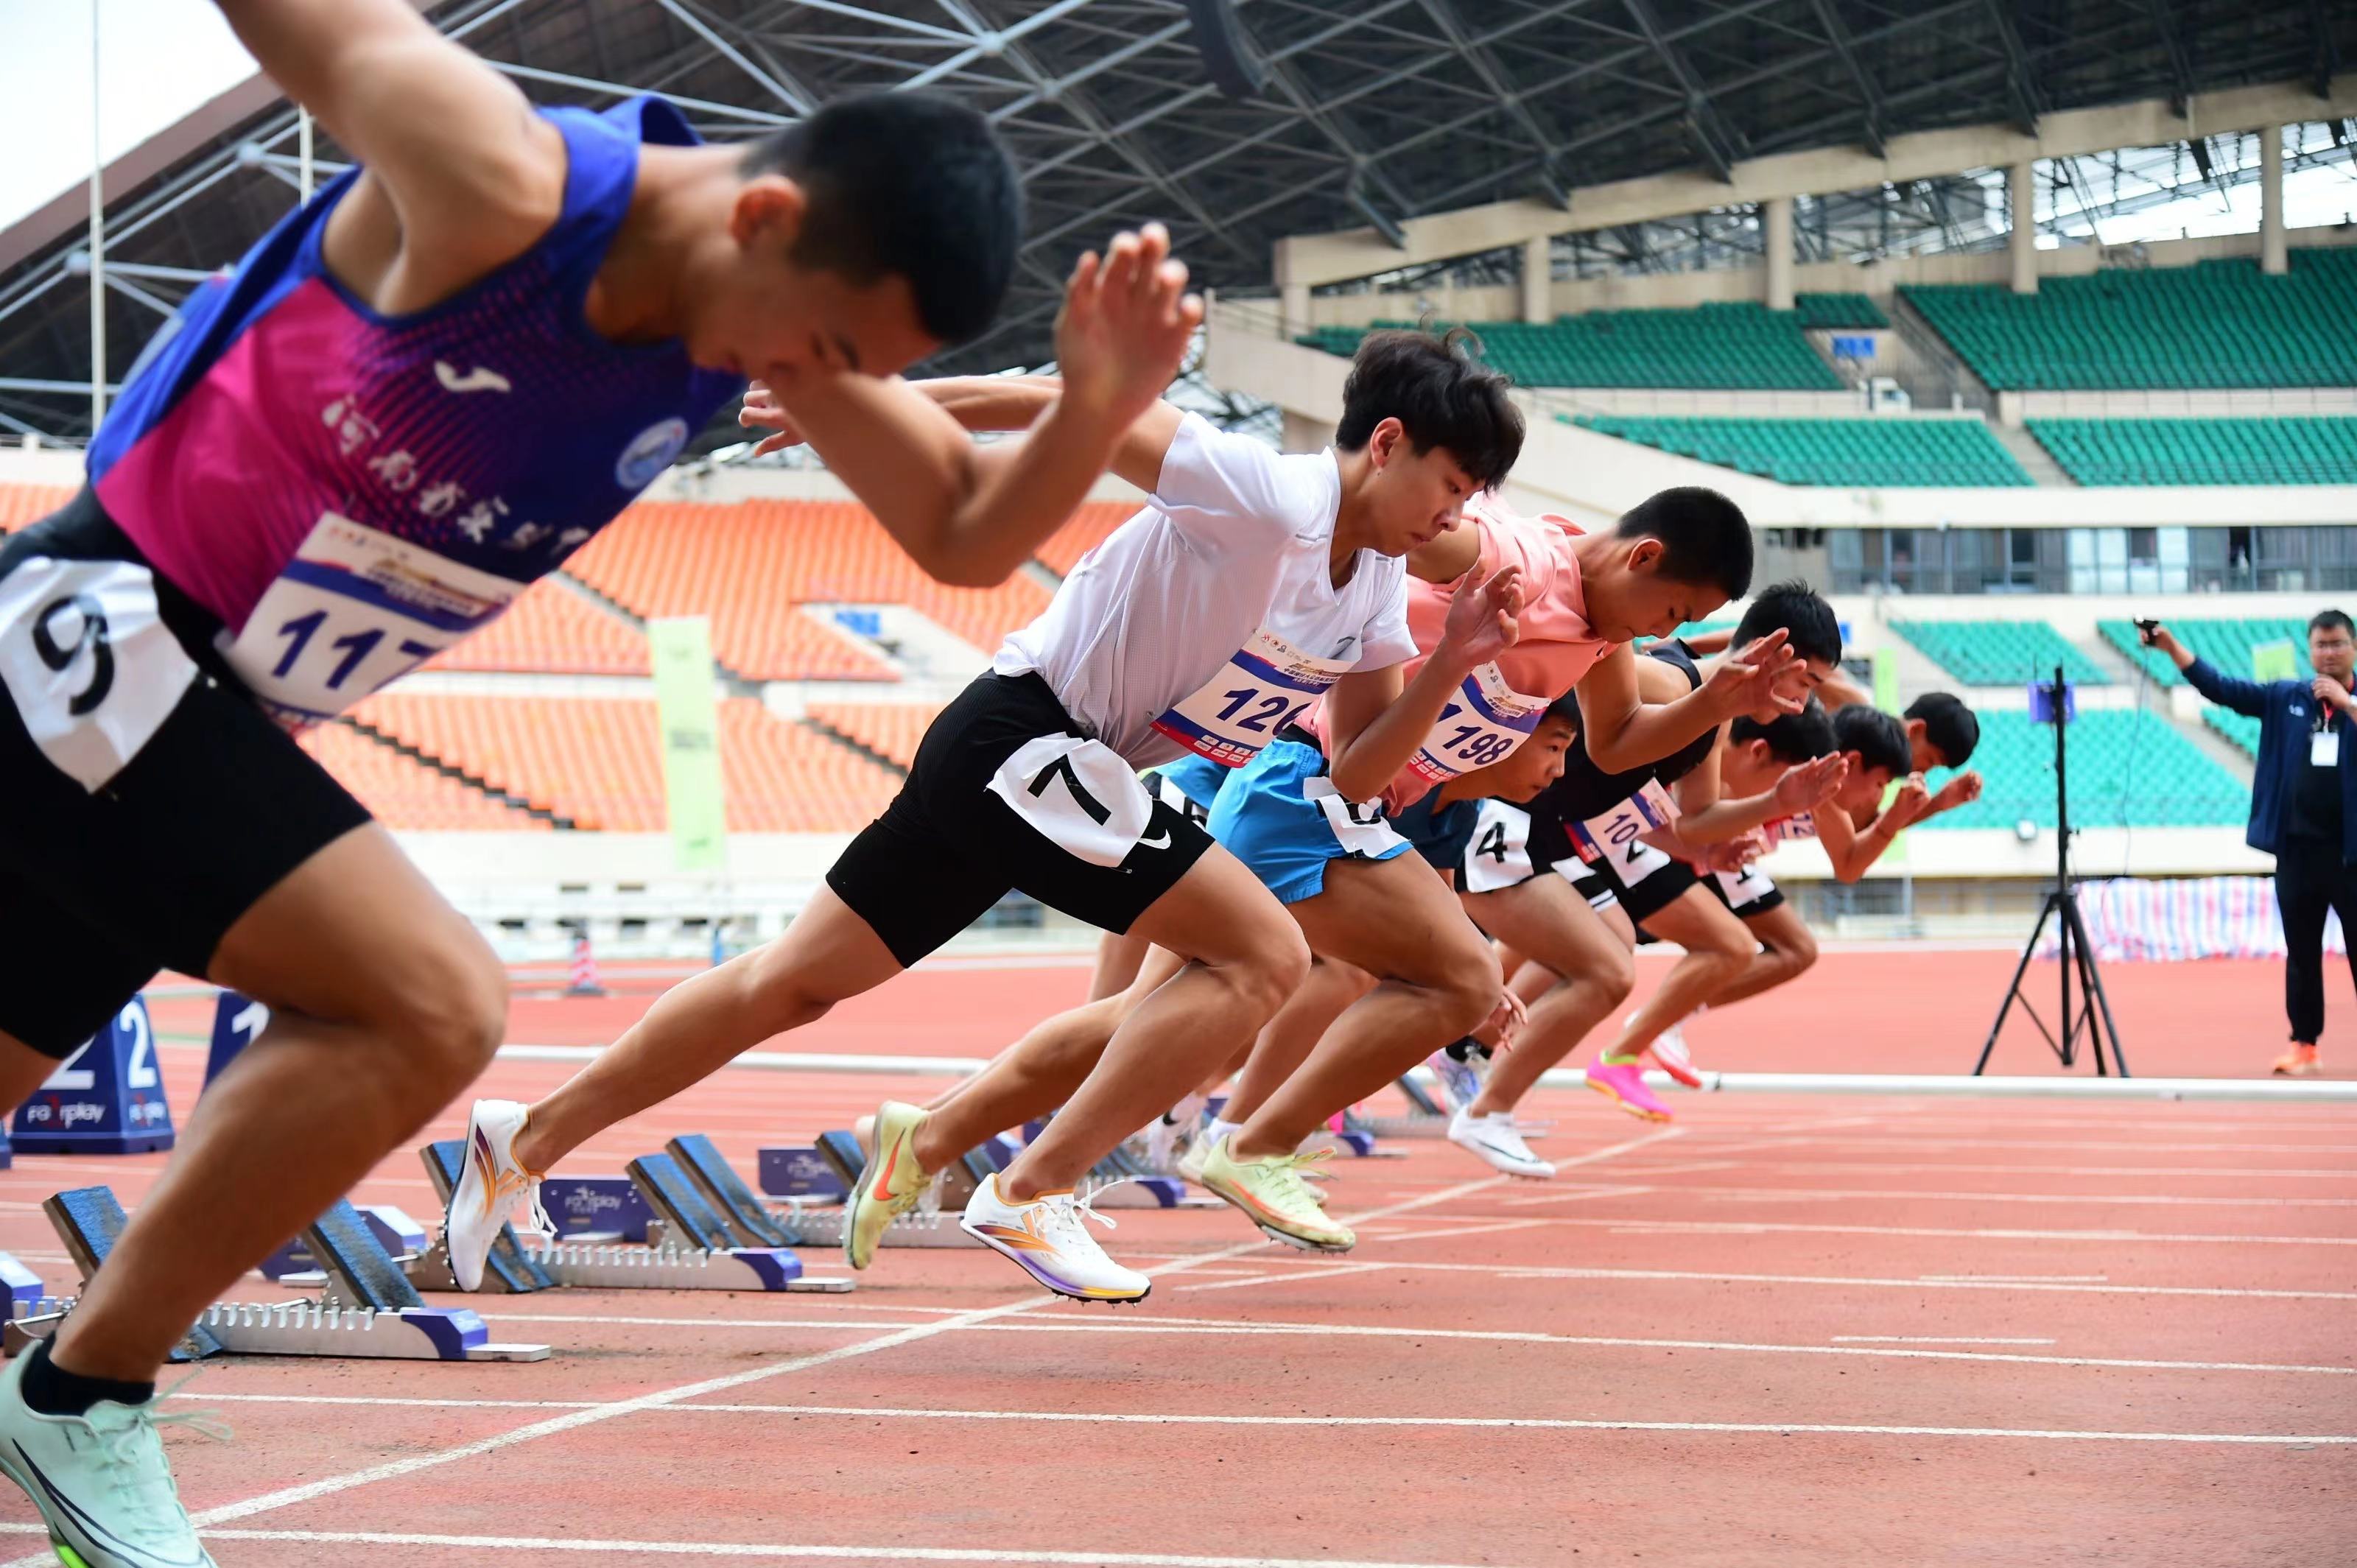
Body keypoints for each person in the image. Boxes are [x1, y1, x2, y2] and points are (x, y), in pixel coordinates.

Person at [0, 0, 1204, 1554]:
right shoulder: (501, 181)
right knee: (425, 1000)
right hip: (98, 635)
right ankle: (83, 1390)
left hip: (209, 716)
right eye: (828, 349)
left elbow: (965, 524)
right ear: (765, 215)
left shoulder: (740, 313)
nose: (802, 385)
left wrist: (1095, 408)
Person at [456, 329, 1526, 1304]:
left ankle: (524, 1140)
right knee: (1263, 954)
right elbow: (1073, 401)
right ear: (1386, 442)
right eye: (1453, 482)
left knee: (787, 983)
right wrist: (856, 399)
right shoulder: (1264, 492)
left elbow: (1355, 776)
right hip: (1025, 737)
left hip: (1043, 764)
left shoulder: (1373, 586)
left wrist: (1452, 664)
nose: (1458, 516)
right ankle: (1034, 1184)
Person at [1490, 584, 1850, 1125]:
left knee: (1598, 958)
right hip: (1519, 813)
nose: (1800, 703)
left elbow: (1694, 821)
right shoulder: (1669, 679)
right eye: (1804, 682)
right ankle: (1479, 1083)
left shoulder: (1719, 713)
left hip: (1564, 829)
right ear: (1773, 653)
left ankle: (1473, 1073)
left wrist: (1775, 802)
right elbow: (1594, 661)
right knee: (1589, 963)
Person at [2143, 613, 2357, 1076]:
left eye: (2338, 644)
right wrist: (2172, 647)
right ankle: (2305, 1045)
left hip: (2351, 855)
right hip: (2297, 851)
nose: (2329, 653)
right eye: (2321, 645)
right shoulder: (2286, 698)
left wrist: (2348, 703)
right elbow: (2222, 688)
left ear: (2353, 647)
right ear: (2310, 649)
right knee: (2301, 953)